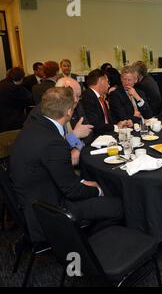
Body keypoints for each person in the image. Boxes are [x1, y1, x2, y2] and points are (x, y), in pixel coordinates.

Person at [10, 87, 123, 243]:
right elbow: (72, 191)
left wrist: (82, 182)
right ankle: (87, 246)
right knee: (118, 206)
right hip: (49, 211)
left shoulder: (35, 123)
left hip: (32, 197)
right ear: (69, 112)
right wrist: (97, 190)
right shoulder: (53, 142)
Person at [27, 77, 94, 165]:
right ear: (62, 91)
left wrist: (78, 148)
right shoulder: (41, 113)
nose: (77, 100)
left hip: (73, 159)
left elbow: (88, 130)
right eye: (76, 95)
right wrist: (74, 136)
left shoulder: (76, 106)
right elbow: (49, 149)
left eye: (79, 97)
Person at [82, 69, 131, 136]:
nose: (108, 85)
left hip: (107, 134)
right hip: (97, 138)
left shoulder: (99, 98)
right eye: (107, 82)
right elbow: (95, 124)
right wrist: (116, 127)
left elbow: (108, 121)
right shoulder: (88, 96)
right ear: (101, 81)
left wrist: (120, 124)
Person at [0, 67, 32, 133]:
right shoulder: (17, 89)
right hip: (13, 122)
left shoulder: (2, 83)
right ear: (21, 78)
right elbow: (29, 100)